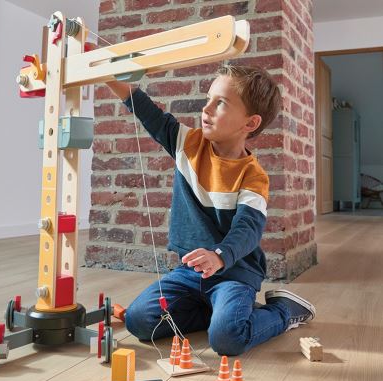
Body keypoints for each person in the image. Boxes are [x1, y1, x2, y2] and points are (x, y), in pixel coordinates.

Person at [105, 65, 316, 355]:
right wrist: (106, 73)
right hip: (190, 274)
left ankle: (282, 311)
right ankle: (219, 314)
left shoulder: (254, 177)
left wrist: (219, 256)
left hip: (234, 273)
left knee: (227, 340)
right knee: (138, 321)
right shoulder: (187, 144)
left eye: (220, 103)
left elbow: (248, 230)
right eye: (208, 99)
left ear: (250, 123)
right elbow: (145, 108)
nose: (206, 109)